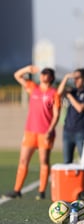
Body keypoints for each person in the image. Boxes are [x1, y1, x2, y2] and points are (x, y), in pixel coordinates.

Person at [4, 65, 61, 199]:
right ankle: (17, 189)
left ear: (51, 77)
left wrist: (50, 130)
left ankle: (41, 191)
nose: (44, 75)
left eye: (47, 73)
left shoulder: (54, 93)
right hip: (30, 131)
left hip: (45, 133)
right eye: (43, 73)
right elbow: (17, 76)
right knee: (23, 160)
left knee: (44, 161)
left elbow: (56, 114)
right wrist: (27, 69)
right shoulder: (33, 88)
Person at [57, 68, 84, 184]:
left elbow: (80, 108)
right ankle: (69, 188)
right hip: (67, 131)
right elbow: (58, 93)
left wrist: (69, 97)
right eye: (74, 78)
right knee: (67, 162)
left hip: (81, 131)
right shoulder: (71, 91)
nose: (76, 81)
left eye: (78, 78)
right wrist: (66, 78)